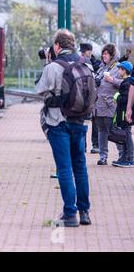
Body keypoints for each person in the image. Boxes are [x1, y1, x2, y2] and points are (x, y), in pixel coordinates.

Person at [36, 29, 91, 227]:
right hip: (79, 122)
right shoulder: (86, 64)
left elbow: (40, 89)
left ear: (57, 46)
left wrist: (48, 63)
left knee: (65, 168)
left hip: (58, 123)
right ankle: (84, 211)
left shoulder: (53, 67)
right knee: (80, 166)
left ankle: (70, 214)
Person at [94, 44, 123, 166]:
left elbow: (125, 83)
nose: (104, 56)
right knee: (101, 131)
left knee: (114, 131)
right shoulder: (101, 68)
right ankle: (103, 157)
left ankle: (123, 155)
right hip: (99, 105)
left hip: (111, 105)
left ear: (112, 55)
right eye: (103, 53)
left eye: (106, 54)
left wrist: (113, 80)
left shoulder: (118, 68)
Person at [112, 61, 134, 167]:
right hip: (122, 113)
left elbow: (126, 98)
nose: (118, 70)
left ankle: (130, 158)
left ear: (124, 70)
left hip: (125, 113)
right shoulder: (126, 81)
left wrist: (117, 96)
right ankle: (124, 158)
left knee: (127, 135)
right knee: (125, 136)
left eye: (120, 69)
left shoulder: (128, 82)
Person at [80, 43, 99, 154]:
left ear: (90, 51)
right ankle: (83, 146)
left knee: (95, 122)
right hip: (84, 96)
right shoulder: (80, 62)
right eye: (82, 51)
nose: (83, 53)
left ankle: (95, 144)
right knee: (83, 122)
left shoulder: (96, 63)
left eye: (85, 51)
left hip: (95, 96)